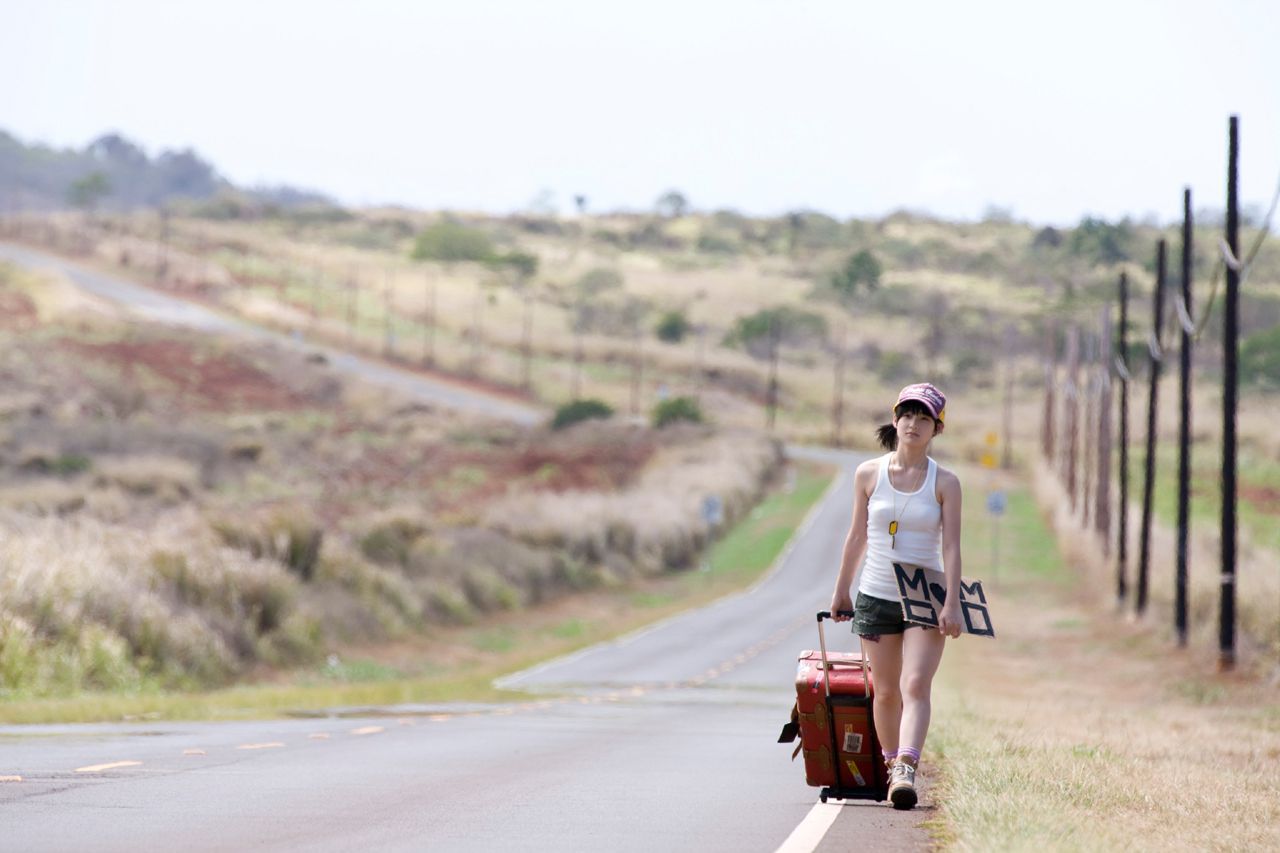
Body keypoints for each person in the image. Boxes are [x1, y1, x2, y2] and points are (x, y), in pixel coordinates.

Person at [829, 382, 963, 811]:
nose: (913, 423)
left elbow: (952, 547)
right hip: (876, 593)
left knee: (916, 684)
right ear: (895, 420)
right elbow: (855, 537)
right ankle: (891, 768)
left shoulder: (946, 482)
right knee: (885, 691)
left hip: (925, 597)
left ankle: (907, 766)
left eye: (924, 417)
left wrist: (952, 603)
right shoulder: (868, 473)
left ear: (936, 428)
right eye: (907, 414)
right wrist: (841, 592)